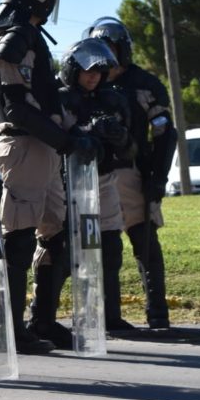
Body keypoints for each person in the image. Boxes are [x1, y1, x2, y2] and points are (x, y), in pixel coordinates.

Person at [0, 0, 98, 354]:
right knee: (16, 241)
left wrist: (76, 134)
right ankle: (11, 331)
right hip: (24, 146)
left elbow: (44, 100)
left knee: (58, 236)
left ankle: (42, 320)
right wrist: (64, 140)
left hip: (43, 147)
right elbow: (18, 107)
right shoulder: (14, 36)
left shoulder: (29, 34)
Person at [85, 17, 175, 329]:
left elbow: (165, 133)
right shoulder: (88, 82)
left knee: (146, 242)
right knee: (102, 248)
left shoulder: (145, 84)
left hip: (134, 173)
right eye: (99, 48)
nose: (105, 56)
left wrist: (158, 178)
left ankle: (158, 313)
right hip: (96, 176)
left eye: (110, 47)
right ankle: (107, 317)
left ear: (123, 49)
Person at [56, 38, 136, 332]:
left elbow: (131, 152)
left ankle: (110, 316)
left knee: (111, 249)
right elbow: (54, 139)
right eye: (88, 70)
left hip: (104, 182)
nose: (93, 76)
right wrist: (85, 132)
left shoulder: (113, 100)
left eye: (100, 72)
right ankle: (45, 317)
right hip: (68, 186)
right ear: (72, 69)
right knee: (65, 253)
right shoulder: (59, 98)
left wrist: (120, 138)